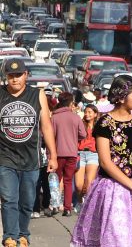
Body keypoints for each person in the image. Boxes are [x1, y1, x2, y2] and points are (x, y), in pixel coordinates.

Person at [70, 75, 132, 246]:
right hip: (116, 189)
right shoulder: (105, 123)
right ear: (122, 97)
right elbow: (105, 162)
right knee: (119, 239)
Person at [0, 58, 58, 247]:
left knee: (26, 201)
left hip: (31, 159)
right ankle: (10, 236)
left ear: (26, 75)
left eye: (18, 75)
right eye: (11, 75)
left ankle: (23, 234)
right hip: (5, 157)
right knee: (9, 199)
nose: (14, 79)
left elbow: (46, 127)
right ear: (5, 77)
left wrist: (53, 155)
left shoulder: (37, 94)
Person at [50, 92, 85, 217]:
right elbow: (83, 134)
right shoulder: (75, 117)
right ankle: (67, 208)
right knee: (68, 181)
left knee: (55, 180)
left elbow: (49, 135)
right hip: (72, 153)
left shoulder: (54, 117)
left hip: (57, 154)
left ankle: (54, 205)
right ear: (71, 103)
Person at [75, 104, 100, 200]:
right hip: (80, 154)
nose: (86, 114)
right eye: (85, 112)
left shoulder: (99, 126)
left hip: (93, 154)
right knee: (78, 185)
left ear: (95, 114)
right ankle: (80, 200)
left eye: (89, 112)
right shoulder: (80, 124)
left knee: (89, 184)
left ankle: (86, 204)